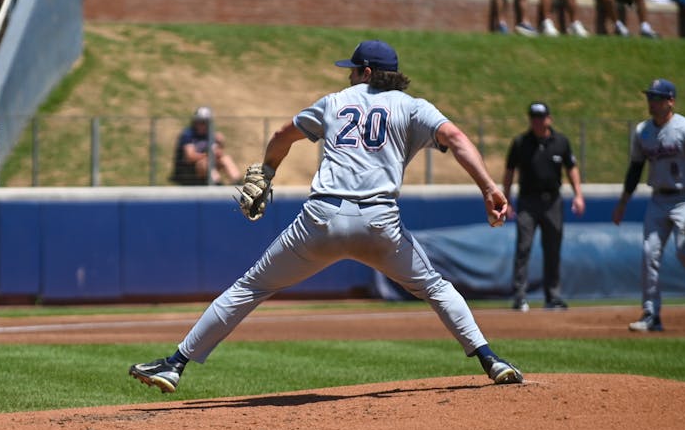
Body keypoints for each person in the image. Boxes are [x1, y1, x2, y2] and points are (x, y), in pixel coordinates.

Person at [129, 40, 524, 393]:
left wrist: (267, 172)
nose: (349, 75)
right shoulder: (413, 107)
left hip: (321, 220)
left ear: (366, 72)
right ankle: (491, 360)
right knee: (435, 287)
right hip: (379, 223)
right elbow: (455, 138)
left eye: (353, 69)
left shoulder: (335, 101)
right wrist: (489, 187)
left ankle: (176, 364)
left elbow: (284, 133)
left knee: (249, 288)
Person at [611, 78, 685, 332]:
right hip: (659, 197)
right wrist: (622, 204)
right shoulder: (643, 131)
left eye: (658, 97)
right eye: (650, 97)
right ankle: (651, 313)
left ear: (670, 101)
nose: (652, 101)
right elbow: (635, 169)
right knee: (650, 252)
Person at [502, 102, 584, 312]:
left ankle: (553, 296)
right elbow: (510, 170)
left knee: (553, 249)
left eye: (540, 117)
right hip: (527, 202)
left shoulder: (561, 142)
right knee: (523, 248)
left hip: (552, 202)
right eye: (533, 117)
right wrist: (506, 198)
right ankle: (520, 297)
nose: (536, 121)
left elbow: (571, 168)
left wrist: (578, 195)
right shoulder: (521, 142)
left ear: (549, 118)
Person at [170, 106, 242, 186]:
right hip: (189, 169)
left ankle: (239, 185)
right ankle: (218, 187)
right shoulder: (188, 134)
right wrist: (209, 154)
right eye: (200, 122)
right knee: (205, 164)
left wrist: (220, 144)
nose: (202, 125)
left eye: (205, 122)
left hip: (206, 163)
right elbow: (190, 157)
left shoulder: (210, 134)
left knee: (226, 159)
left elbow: (218, 153)